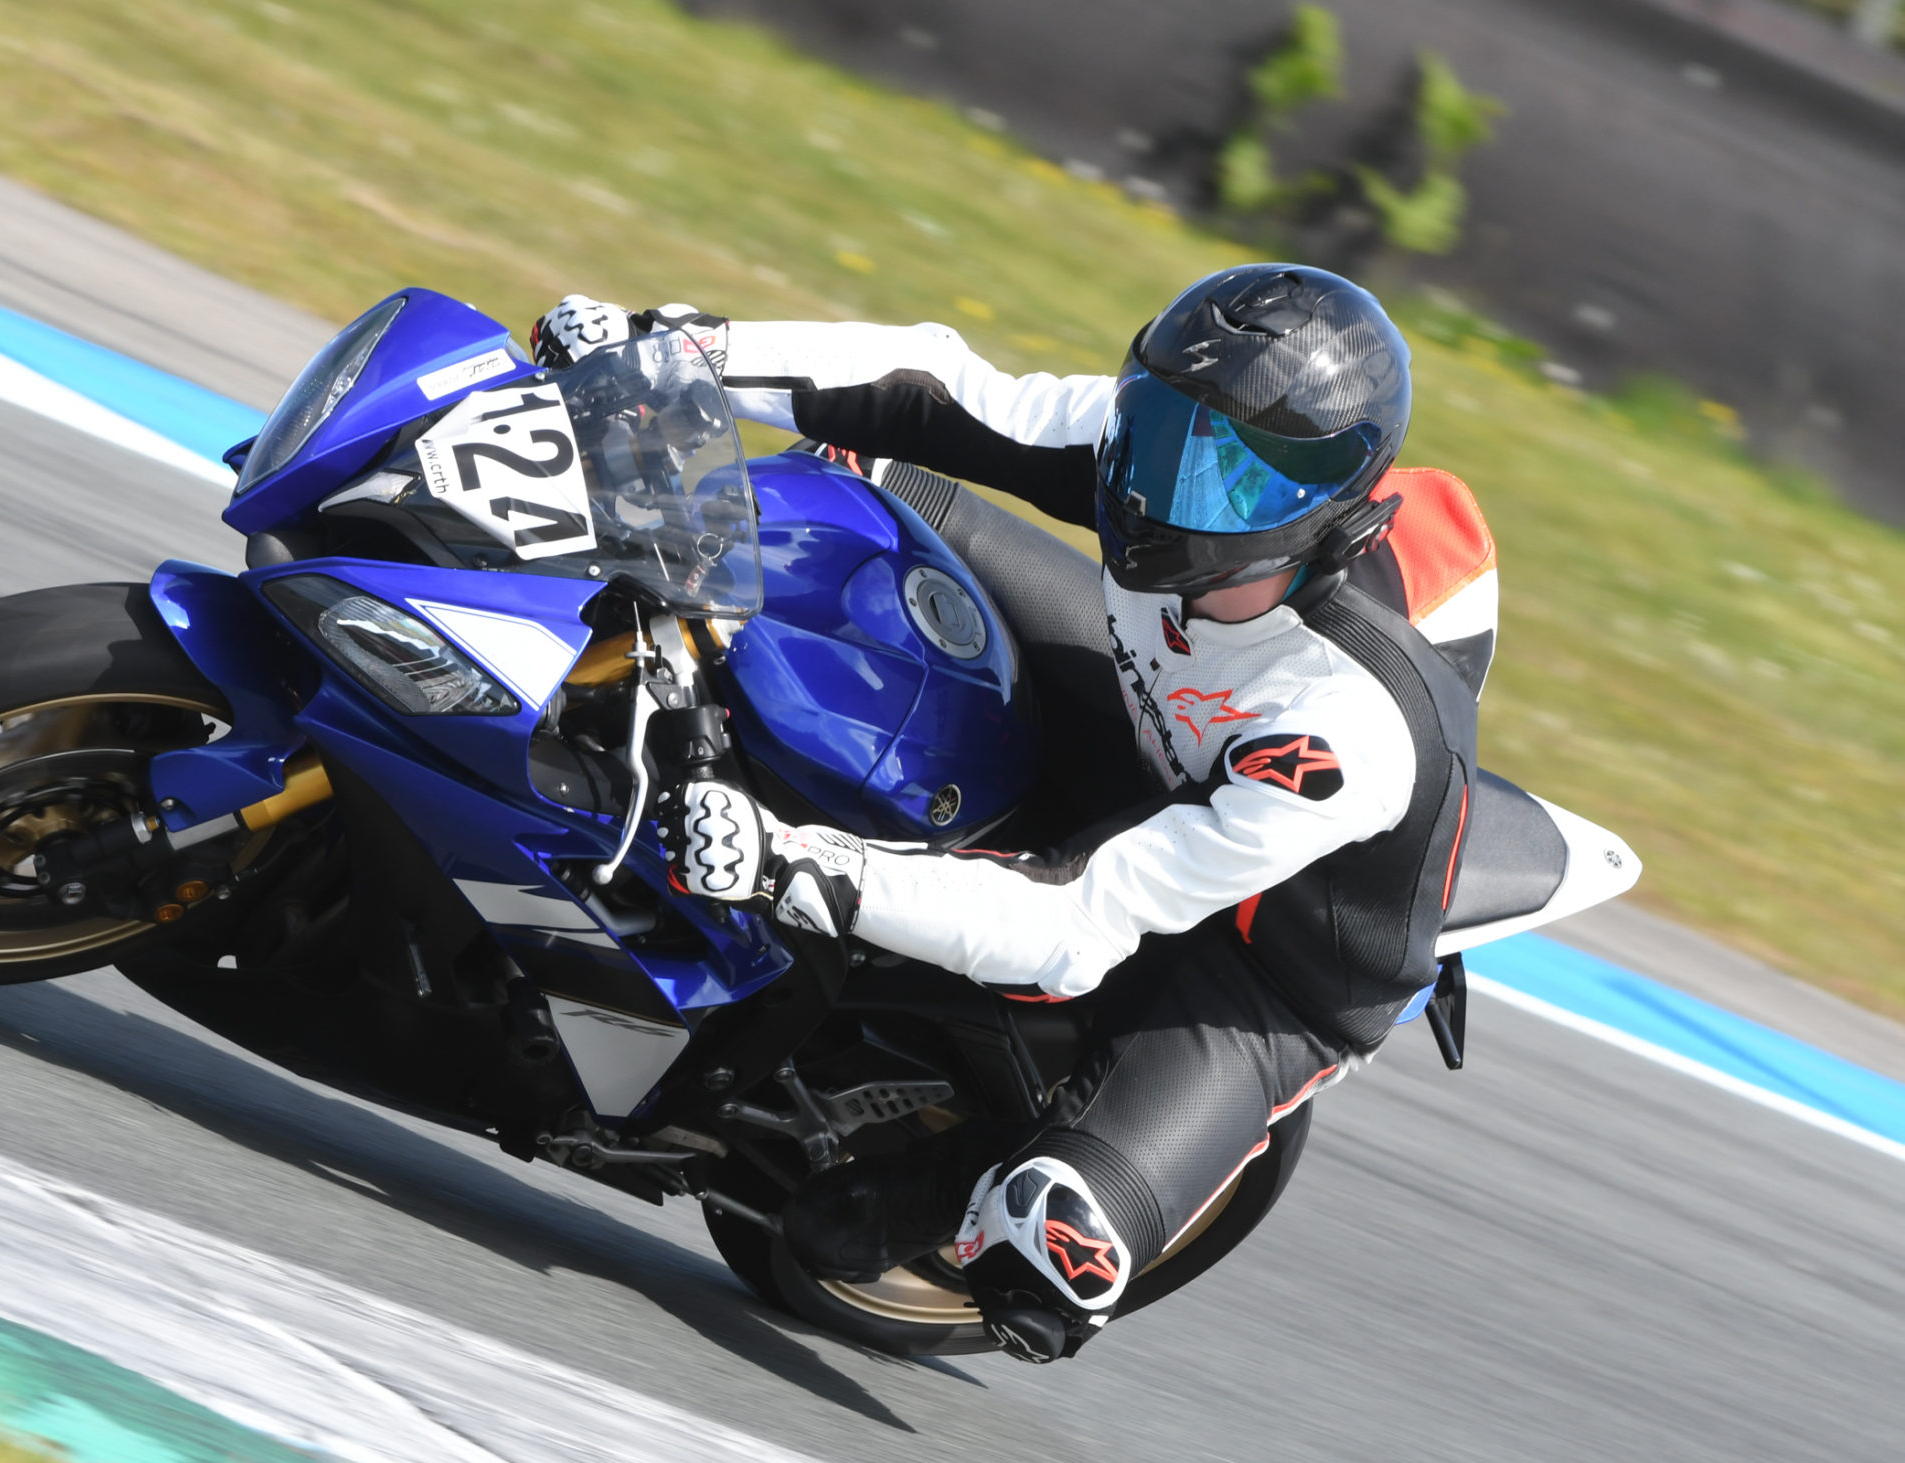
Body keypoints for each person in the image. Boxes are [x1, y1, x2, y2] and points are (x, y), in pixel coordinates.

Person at [530, 266, 1500, 1363]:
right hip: (1155, 720)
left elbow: (1071, 924)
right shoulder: (1157, 456)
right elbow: (938, 388)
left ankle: (978, 1166)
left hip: (1268, 954)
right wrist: (681, 352)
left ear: (1326, 514)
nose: (1168, 488)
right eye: (1163, 430)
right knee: (857, 475)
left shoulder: (1343, 729)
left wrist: (792, 864)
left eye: (1231, 474)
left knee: (1041, 1250)